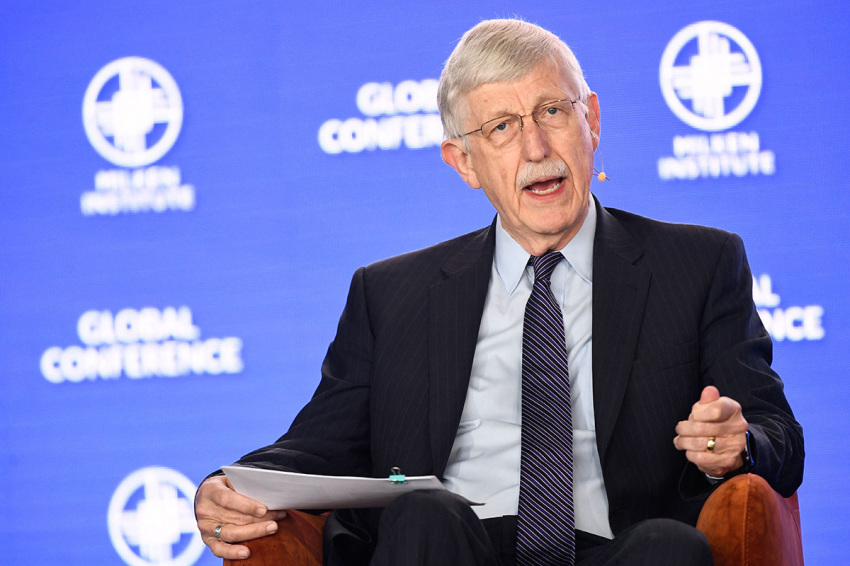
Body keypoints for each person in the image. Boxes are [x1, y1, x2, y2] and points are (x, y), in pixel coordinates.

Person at [194, 19, 804, 565]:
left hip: (615, 548)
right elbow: (314, 448)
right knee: (424, 513)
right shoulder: (389, 295)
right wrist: (224, 486)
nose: (536, 149)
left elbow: (778, 434)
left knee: (670, 547)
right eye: (502, 128)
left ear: (591, 120)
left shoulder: (699, 264)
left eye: (552, 112)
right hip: (443, 546)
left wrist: (739, 442)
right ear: (463, 162)